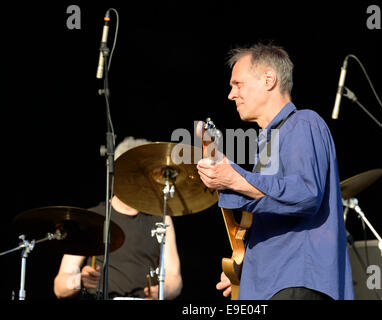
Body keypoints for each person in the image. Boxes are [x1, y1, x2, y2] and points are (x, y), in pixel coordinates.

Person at [197, 43, 354, 300]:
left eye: (238, 84)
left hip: (296, 281)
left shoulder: (303, 122)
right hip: (270, 284)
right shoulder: (269, 147)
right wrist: (246, 269)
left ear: (269, 79)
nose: (231, 94)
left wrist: (236, 178)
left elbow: (304, 194)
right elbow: (274, 215)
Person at [54, 137, 182, 300]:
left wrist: (164, 291)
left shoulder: (161, 218)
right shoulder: (92, 218)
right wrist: (78, 280)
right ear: (118, 174)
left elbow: (174, 278)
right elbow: (60, 286)